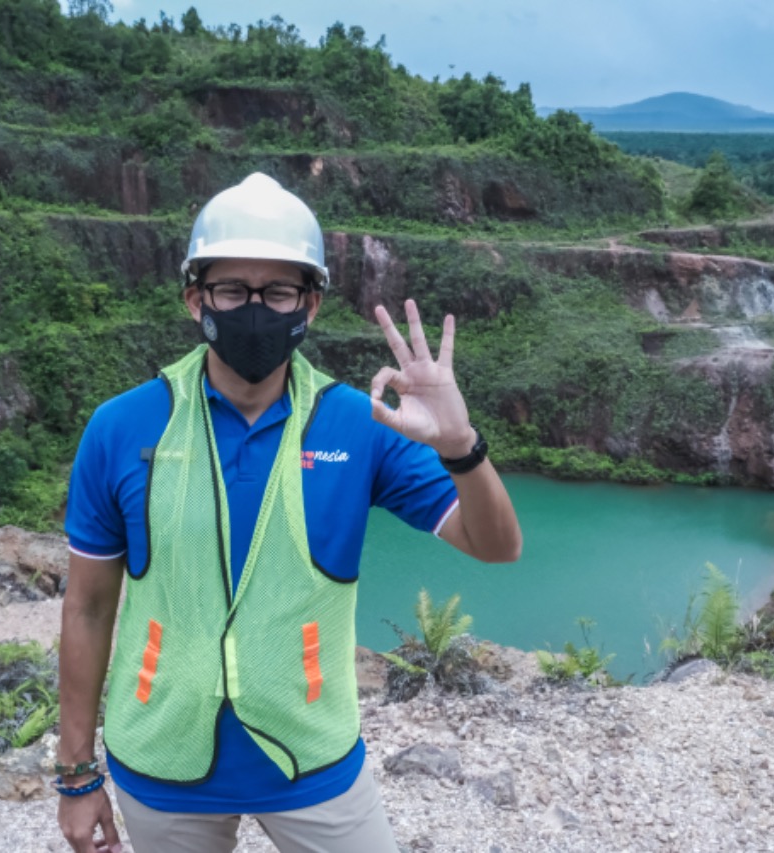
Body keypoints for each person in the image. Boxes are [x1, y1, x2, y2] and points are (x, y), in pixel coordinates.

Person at [56, 173, 522, 853]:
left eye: (277, 292)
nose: (255, 309)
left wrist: (461, 446)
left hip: (313, 759)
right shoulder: (123, 427)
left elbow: (496, 545)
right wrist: (75, 775)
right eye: (231, 290)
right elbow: (89, 607)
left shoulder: (359, 425)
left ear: (310, 304)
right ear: (195, 299)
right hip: (160, 761)